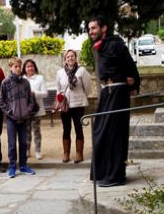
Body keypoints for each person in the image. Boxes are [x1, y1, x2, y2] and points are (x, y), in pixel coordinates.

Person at [87, 16, 140, 187]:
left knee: (114, 133)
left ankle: (115, 176)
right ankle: (102, 172)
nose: (91, 32)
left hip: (117, 92)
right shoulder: (100, 47)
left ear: (104, 28)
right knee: (100, 131)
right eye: (89, 29)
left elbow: (130, 65)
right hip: (106, 92)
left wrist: (133, 81)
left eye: (94, 28)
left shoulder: (116, 44)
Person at [0, 57, 38, 178]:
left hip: (24, 118)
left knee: (23, 143)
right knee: (12, 144)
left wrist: (28, 110)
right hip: (12, 119)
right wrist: (10, 112)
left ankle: (23, 165)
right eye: (15, 66)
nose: (18, 68)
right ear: (11, 67)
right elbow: (1, 101)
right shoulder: (5, 82)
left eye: (19, 66)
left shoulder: (25, 82)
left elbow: (31, 99)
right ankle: (12, 167)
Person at [55, 50, 92, 163]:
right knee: (66, 129)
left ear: (76, 58)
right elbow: (58, 88)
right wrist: (60, 99)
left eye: (72, 56)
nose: (70, 58)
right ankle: (66, 153)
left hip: (78, 104)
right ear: (65, 59)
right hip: (65, 105)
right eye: (68, 57)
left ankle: (79, 153)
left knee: (78, 128)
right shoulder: (60, 72)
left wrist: (80, 97)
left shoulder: (82, 71)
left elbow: (87, 88)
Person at [23, 59, 47, 160]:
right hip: (25, 110)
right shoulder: (22, 79)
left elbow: (45, 93)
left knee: (37, 131)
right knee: (26, 131)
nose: (30, 68)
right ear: (24, 68)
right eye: (28, 66)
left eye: (32, 66)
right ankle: (27, 150)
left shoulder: (40, 78)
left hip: (37, 109)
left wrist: (34, 93)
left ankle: (38, 150)